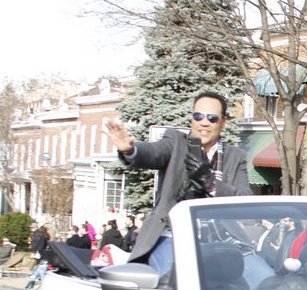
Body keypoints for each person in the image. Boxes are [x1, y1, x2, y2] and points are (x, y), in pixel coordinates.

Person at [103, 90, 252, 275]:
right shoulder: (175, 142)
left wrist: (211, 184)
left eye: (212, 118)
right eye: (198, 116)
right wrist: (130, 150)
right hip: (172, 236)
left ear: (222, 122)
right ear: (192, 119)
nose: (204, 122)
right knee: (178, 281)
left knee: (262, 279)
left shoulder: (235, 156)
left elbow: (245, 201)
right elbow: (153, 152)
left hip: (222, 240)